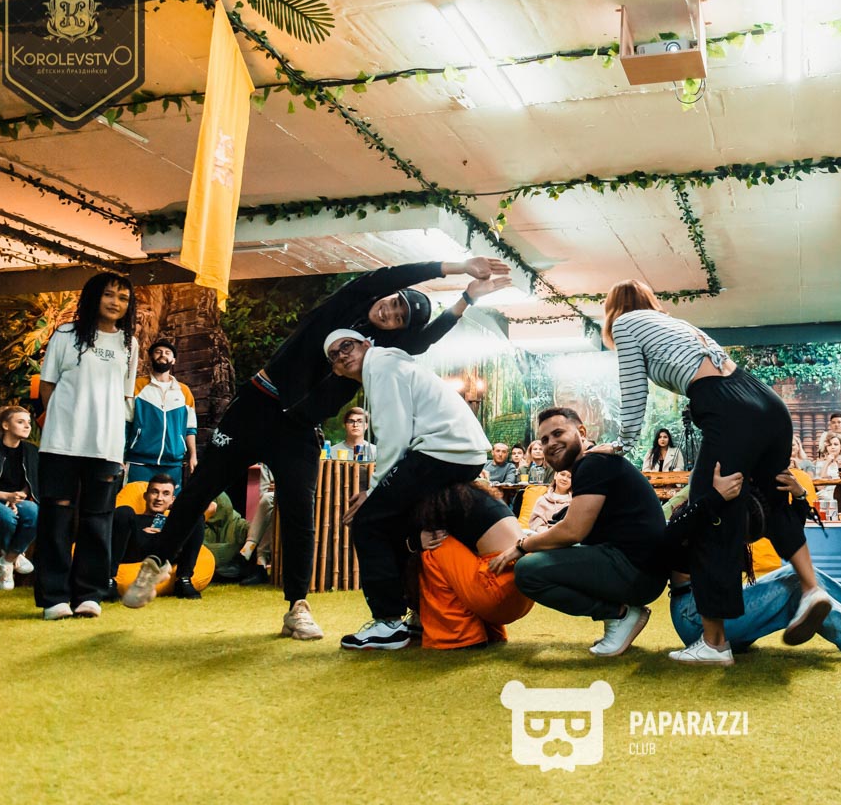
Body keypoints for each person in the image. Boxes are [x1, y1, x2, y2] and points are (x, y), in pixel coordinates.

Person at [122, 257, 509, 642]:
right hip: (256, 406)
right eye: (393, 303)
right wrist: (457, 267)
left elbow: (424, 339)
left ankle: (297, 607)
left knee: (299, 514)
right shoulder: (344, 307)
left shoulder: (378, 353)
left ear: (388, 335)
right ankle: (157, 561)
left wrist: (466, 300)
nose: (389, 313)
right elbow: (390, 276)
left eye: (398, 318)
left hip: (299, 429)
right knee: (202, 485)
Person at [602, 279, 832, 664]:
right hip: (764, 400)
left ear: (613, 309)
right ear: (648, 300)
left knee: (711, 508)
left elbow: (633, 391)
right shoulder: (677, 324)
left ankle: (714, 642)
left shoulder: (626, 324)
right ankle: (811, 588)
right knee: (773, 493)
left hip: (726, 405)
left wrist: (621, 444)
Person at [324, 330, 492, 651]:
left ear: (366, 344)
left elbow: (394, 436)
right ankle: (422, 611)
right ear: (336, 370)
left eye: (347, 345)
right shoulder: (386, 366)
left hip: (443, 451)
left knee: (368, 521)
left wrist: (373, 491)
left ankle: (388, 622)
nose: (342, 354)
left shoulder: (381, 366)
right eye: (335, 355)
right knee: (404, 522)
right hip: (460, 453)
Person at [666, 468, 841, 666]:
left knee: (802, 575)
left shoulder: (732, 511)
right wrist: (713, 498)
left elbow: (785, 533)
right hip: (695, 618)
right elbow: (669, 537)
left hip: (725, 607)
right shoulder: (693, 514)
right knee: (794, 588)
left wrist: (800, 497)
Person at [489, 407, 668, 657]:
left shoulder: (593, 464)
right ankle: (620, 614)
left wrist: (521, 546)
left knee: (528, 571)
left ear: (581, 432)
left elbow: (573, 531)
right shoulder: (594, 465)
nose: (551, 444)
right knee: (543, 556)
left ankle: (619, 614)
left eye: (558, 433)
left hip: (637, 571)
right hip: (637, 567)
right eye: (544, 440)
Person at [34, 272, 139, 620]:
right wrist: (62, 423)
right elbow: (47, 387)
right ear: (94, 297)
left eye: (123, 298)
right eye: (109, 294)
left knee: (98, 520)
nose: (115, 303)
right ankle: (54, 598)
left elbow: (125, 397)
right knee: (56, 519)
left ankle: (89, 595)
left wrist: (118, 445)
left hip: (106, 446)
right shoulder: (65, 335)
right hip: (61, 444)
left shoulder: (129, 343)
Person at [411, 483, 534, 650]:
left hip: (498, 592)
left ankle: (456, 637)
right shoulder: (476, 495)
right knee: (464, 554)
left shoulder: (446, 499)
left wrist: (414, 541)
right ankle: (489, 632)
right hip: (525, 592)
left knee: (435, 544)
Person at [110, 473, 204, 599]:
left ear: (172, 500)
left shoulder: (174, 523)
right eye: (155, 492)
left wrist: (166, 531)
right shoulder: (132, 518)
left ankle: (183, 579)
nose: (159, 498)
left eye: (166, 494)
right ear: (145, 496)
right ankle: (109, 580)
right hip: (134, 549)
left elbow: (210, 507)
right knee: (124, 510)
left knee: (196, 516)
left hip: (165, 552)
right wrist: (141, 531)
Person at [125, 338, 198, 487]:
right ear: (151, 357)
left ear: (174, 360)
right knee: (133, 500)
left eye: (167, 352)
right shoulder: (137, 386)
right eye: (158, 352)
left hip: (173, 465)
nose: (163, 355)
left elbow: (190, 429)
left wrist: (193, 456)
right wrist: (119, 456)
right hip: (139, 462)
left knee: (168, 502)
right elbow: (125, 423)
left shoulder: (184, 391)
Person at [0, 406, 40, 591]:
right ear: (5, 425)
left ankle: (7, 561)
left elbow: (32, 480)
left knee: (34, 512)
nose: (27, 426)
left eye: (29, 422)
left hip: (17, 499)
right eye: (20, 422)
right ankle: (16, 557)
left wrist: (19, 496)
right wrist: (5, 496)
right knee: (5, 516)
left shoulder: (31, 451)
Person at [236, 465, 275, 585]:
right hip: (273, 503)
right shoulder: (267, 464)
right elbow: (263, 493)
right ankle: (260, 564)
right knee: (271, 511)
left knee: (269, 500)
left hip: (298, 500)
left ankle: (251, 545)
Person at [811, 436, 841, 500]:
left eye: (836, 444)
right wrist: (827, 463)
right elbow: (820, 487)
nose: (832, 447)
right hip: (824, 495)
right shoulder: (820, 464)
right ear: (826, 448)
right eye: (829, 445)